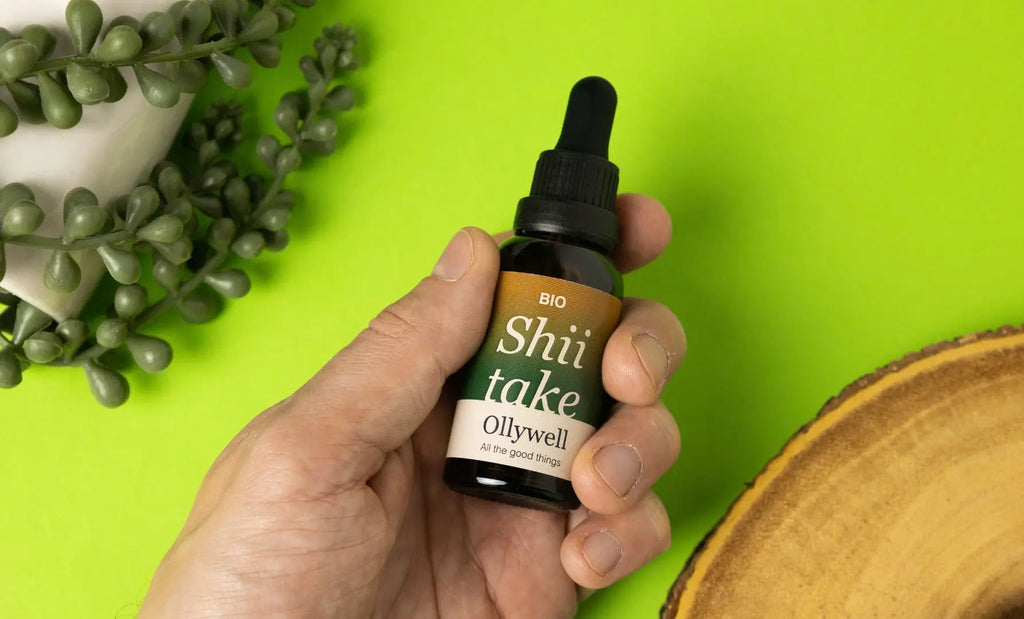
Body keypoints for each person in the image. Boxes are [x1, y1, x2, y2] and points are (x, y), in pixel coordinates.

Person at [139, 194, 686, 617]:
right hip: (457, 477)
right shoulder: (519, 261)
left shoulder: (591, 279)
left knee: (620, 403)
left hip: (499, 512)